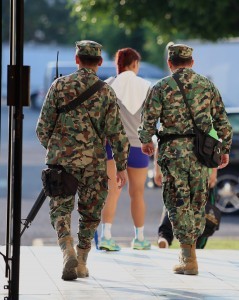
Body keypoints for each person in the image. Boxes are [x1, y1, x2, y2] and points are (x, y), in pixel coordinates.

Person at [36, 40, 130, 281]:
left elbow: (42, 128)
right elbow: (117, 134)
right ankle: (81, 260)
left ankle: (66, 247)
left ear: (77, 60)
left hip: (61, 162)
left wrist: (56, 149)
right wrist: (121, 167)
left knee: (61, 208)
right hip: (93, 163)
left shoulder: (59, 86)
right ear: (99, 62)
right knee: (90, 212)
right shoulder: (106, 91)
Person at [138, 43, 233, 275]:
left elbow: (148, 120)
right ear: (192, 62)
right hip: (202, 153)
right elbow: (222, 120)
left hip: (173, 153)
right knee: (197, 201)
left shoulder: (161, 87)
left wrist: (146, 141)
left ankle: (187, 254)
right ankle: (190, 253)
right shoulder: (207, 85)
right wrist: (225, 148)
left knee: (177, 202)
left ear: (170, 63)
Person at [98, 47, 152, 251]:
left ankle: (106, 236)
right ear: (135, 64)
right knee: (137, 193)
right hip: (138, 146)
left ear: (117, 65)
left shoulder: (108, 85)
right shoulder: (146, 86)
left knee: (113, 191)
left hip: (112, 147)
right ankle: (139, 238)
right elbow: (150, 119)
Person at [154, 153, 218, 249]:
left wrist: (157, 170)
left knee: (173, 204)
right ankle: (196, 246)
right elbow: (215, 142)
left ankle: (164, 237)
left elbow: (159, 143)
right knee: (201, 208)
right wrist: (214, 171)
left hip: (175, 168)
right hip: (202, 171)